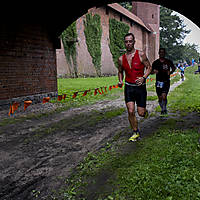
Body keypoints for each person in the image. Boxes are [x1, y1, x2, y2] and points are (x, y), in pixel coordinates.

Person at [118, 33, 152, 142]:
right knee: (131, 111)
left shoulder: (141, 54)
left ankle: (145, 112)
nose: (128, 44)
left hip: (140, 88)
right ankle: (135, 132)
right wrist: (120, 80)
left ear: (134, 42)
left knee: (141, 113)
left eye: (130, 41)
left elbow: (149, 67)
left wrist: (144, 77)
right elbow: (120, 71)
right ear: (125, 43)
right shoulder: (120, 59)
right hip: (128, 87)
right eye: (126, 41)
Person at [152, 48, 176, 115]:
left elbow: (174, 68)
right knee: (160, 98)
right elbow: (150, 71)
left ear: (165, 53)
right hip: (158, 82)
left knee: (164, 96)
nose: (162, 53)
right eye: (160, 52)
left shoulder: (168, 61)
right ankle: (162, 107)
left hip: (166, 81)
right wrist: (153, 71)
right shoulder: (155, 62)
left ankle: (164, 109)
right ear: (158, 53)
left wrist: (170, 72)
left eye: (163, 52)